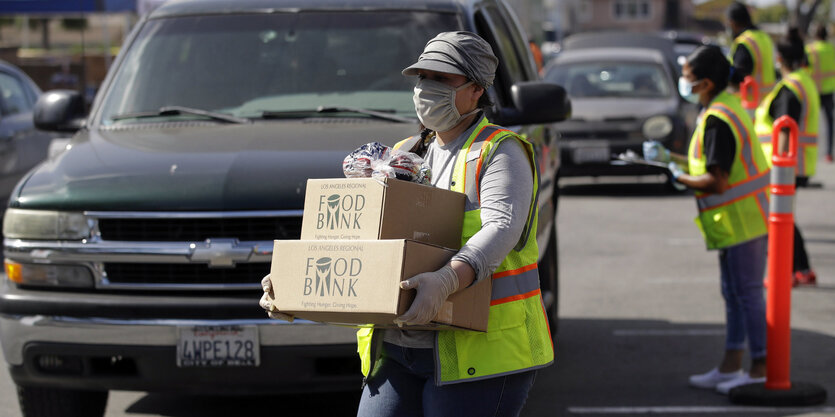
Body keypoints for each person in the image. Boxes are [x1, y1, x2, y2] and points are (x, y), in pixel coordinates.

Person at [260, 31, 553, 416]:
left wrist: (447, 279)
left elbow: (502, 227)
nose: (426, 89)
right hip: (397, 348)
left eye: (443, 79)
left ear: (476, 90)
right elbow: (364, 239)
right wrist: (295, 283)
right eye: (422, 78)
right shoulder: (400, 156)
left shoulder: (499, 151)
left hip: (481, 356)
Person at [645, 45, 770, 395]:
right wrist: (670, 158)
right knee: (735, 294)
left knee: (746, 295)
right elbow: (707, 165)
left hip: (742, 220)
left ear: (705, 82)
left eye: (687, 76)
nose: (683, 81)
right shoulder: (721, 108)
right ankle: (731, 366)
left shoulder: (718, 119)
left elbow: (717, 180)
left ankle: (759, 366)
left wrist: (674, 174)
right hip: (737, 221)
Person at [754, 27, 819, 285]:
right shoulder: (804, 81)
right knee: (785, 220)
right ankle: (801, 268)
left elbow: (784, 127)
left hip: (783, 167)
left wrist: (780, 167)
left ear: (779, 59)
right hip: (798, 165)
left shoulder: (789, 88)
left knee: (778, 222)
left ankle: (787, 272)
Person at [726, 1, 776, 105]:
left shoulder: (745, 42)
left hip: (750, 104)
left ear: (732, 22)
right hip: (768, 103)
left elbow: (739, 77)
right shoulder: (764, 37)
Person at [806, 24, 835, 163]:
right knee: (829, 122)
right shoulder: (831, 49)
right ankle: (828, 153)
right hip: (829, 90)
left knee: (810, 122)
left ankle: (808, 152)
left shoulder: (810, 50)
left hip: (814, 90)